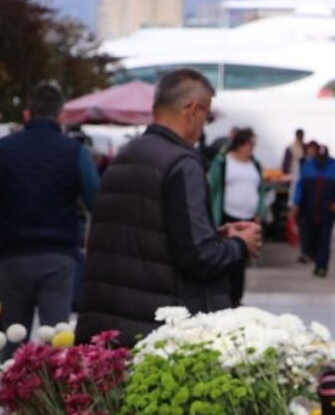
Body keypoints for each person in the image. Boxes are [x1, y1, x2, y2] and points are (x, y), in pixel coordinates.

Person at [76, 68, 261, 346]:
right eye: (206, 116)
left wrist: (217, 236)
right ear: (192, 111)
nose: (204, 126)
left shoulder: (125, 156)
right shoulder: (182, 163)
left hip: (111, 325)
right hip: (159, 332)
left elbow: (150, 234)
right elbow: (198, 257)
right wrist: (240, 245)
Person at [0, 82, 99, 338]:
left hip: (13, 255)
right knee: (56, 341)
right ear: (61, 116)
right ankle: (52, 379)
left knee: (12, 339)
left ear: (26, 114)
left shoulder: (2, 149)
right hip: (59, 255)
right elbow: (96, 200)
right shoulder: (74, 151)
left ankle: (10, 377)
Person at [207, 128, 268, 310]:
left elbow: (260, 189)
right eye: (249, 144)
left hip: (248, 217)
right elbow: (213, 187)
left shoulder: (254, 164)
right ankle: (226, 295)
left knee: (241, 260)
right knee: (228, 257)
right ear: (240, 144)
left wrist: (260, 211)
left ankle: (236, 297)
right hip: (228, 216)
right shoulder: (224, 162)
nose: (252, 148)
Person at [292, 141, 335, 277]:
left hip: (327, 209)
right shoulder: (308, 165)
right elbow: (300, 186)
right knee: (309, 237)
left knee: (324, 238)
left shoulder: (334, 166)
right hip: (308, 208)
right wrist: (296, 203)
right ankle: (310, 254)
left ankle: (321, 266)